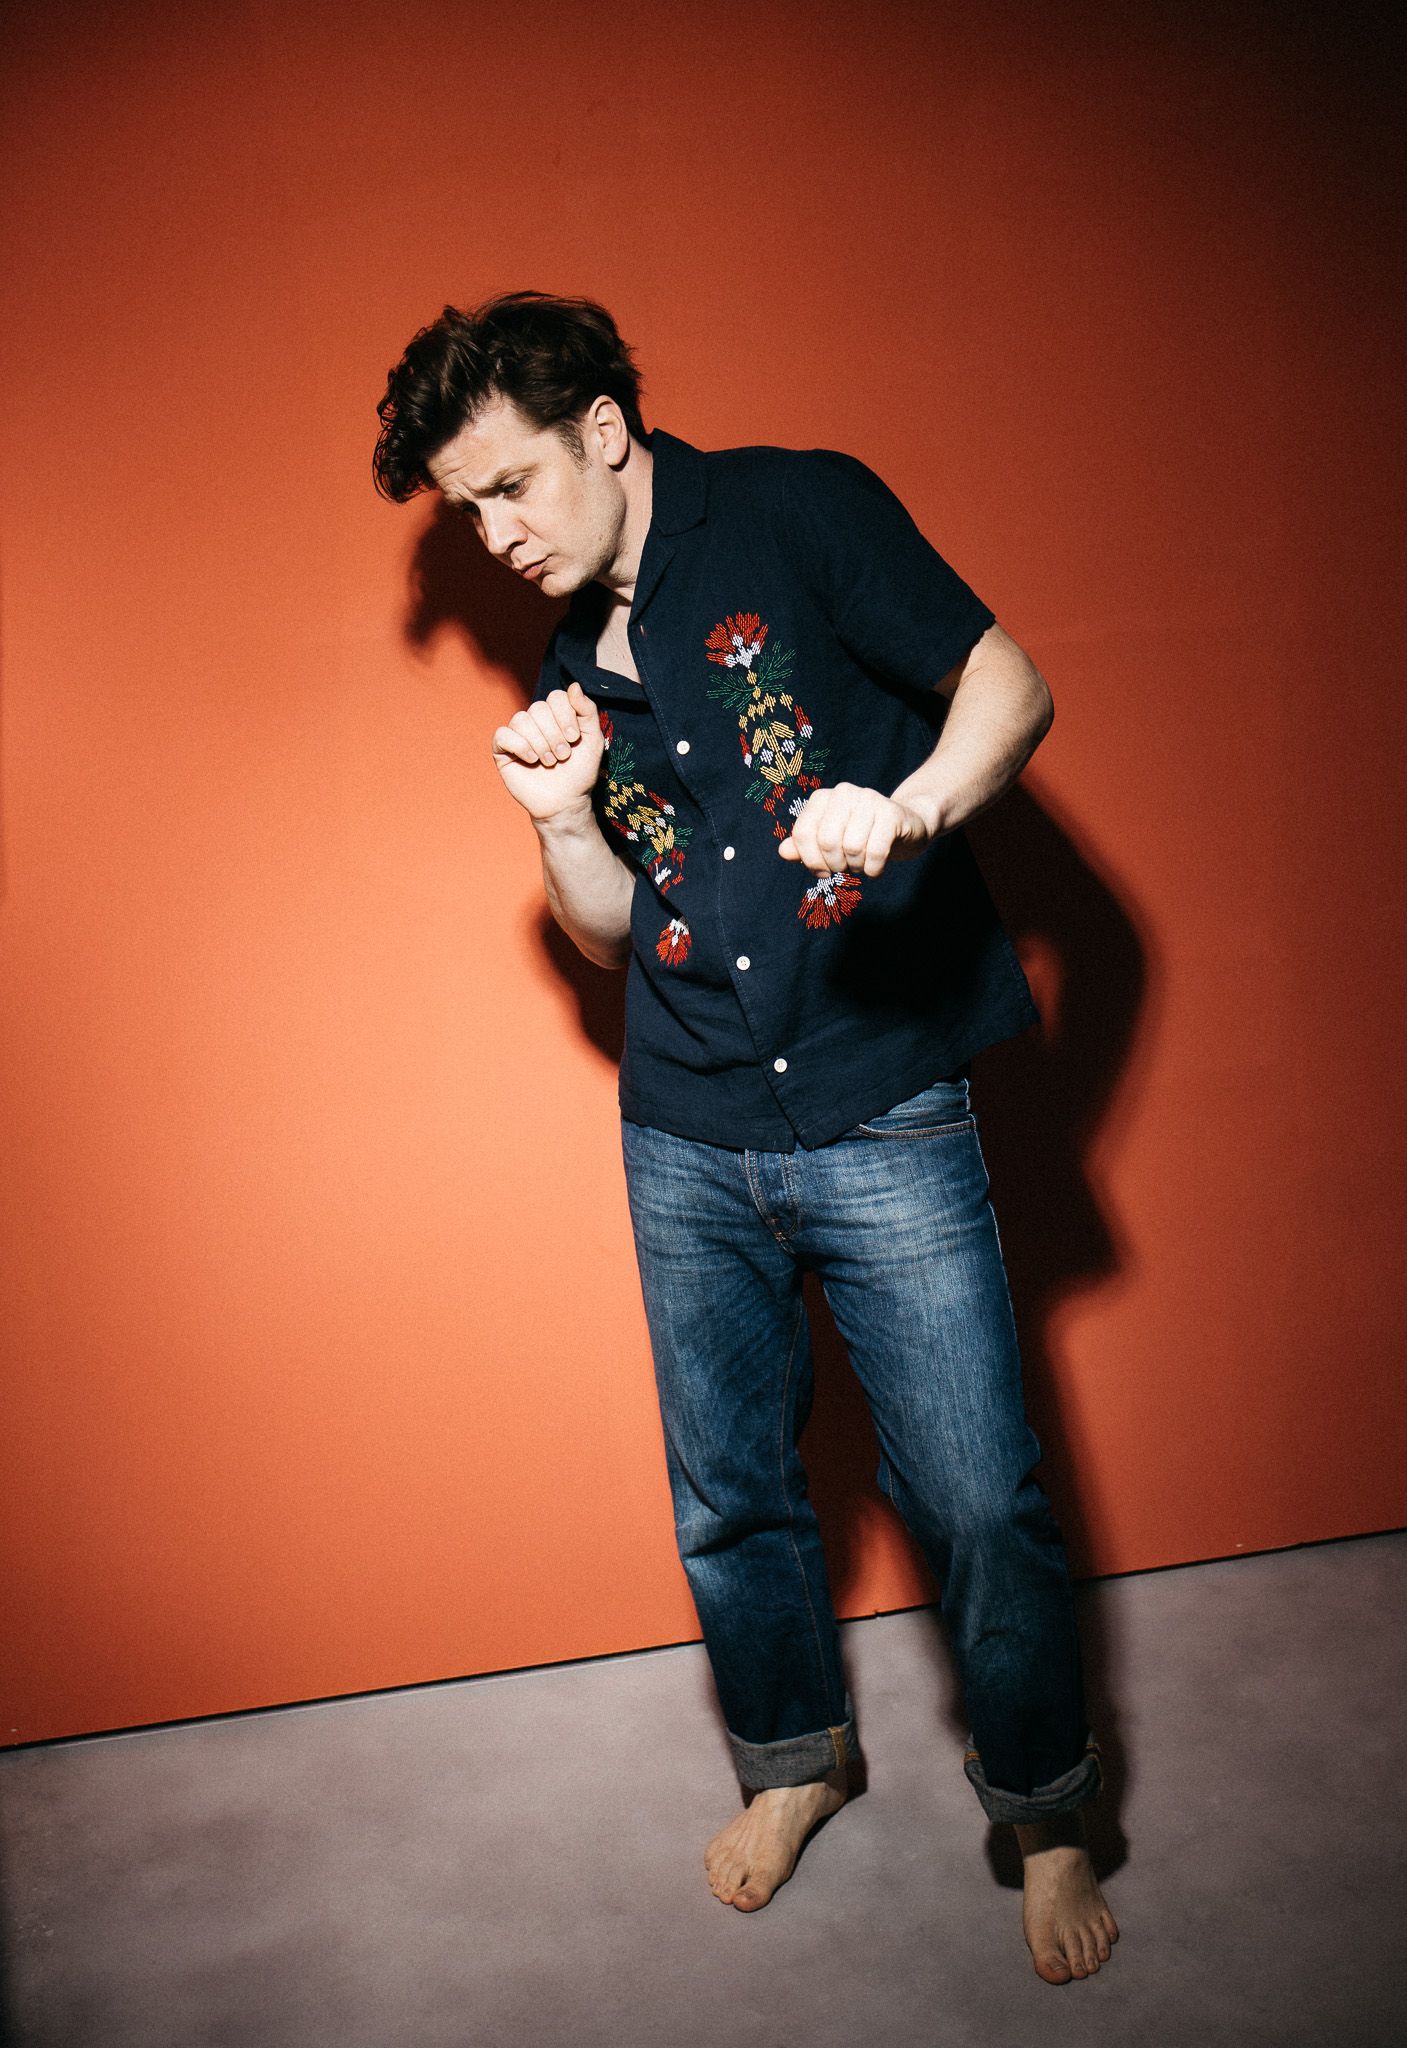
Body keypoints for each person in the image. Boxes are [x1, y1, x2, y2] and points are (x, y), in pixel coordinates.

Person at [373, 292, 1120, 1983]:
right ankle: (794, 1764)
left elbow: (1009, 684)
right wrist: (561, 820)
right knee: (730, 1499)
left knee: (975, 1498)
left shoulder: (802, 508)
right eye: (467, 513)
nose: (495, 537)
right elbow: (607, 935)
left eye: (509, 487)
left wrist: (911, 808)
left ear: (605, 432)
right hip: (686, 1128)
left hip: (880, 1102)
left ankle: (1047, 1810)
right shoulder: (570, 667)